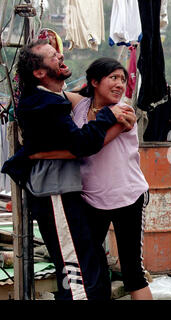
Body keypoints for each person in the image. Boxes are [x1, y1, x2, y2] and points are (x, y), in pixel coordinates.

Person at [1, 39, 136, 300]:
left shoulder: (53, 97)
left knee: (92, 263)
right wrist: (110, 118)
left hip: (66, 191)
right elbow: (81, 144)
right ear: (39, 72)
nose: (61, 56)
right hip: (55, 192)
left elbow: (78, 137)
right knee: (77, 272)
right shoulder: (43, 104)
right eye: (53, 56)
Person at [31, 58, 153, 300]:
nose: (120, 84)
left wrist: (39, 154)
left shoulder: (124, 113)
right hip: (92, 200)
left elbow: (87, 147)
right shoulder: (80, 104)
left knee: (133, 273)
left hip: (127, 197)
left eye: (122, 79)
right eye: (113, 78)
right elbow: (54, 94)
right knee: (92, 266)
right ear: (95, 82)